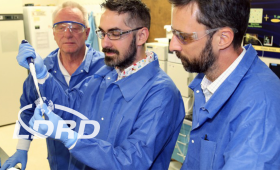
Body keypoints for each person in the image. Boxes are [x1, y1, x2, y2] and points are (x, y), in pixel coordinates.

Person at [16, 0, 186, 169]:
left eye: (115, 33)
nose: (104, 43)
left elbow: (133, 161)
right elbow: (70, 106)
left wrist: (72, 139)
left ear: (141, 36)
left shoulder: (161, 93)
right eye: (103, 33)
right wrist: (43, 76)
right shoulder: (106, 75)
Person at [168, 0, 280, 169]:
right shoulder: (207, 81)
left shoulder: (260, 105)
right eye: (173, 34)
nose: (172, 46)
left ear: (223, 38)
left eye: (183, 36)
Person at [0, 1, 105, 170]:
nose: (68, 34)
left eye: (75, 27)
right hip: (59, 158)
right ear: (53, 33)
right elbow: (27, 109)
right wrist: (22, 149)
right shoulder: (41, 69)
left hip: (96, 160)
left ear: (87, 33)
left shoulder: (104, 67)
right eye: (61, 27)